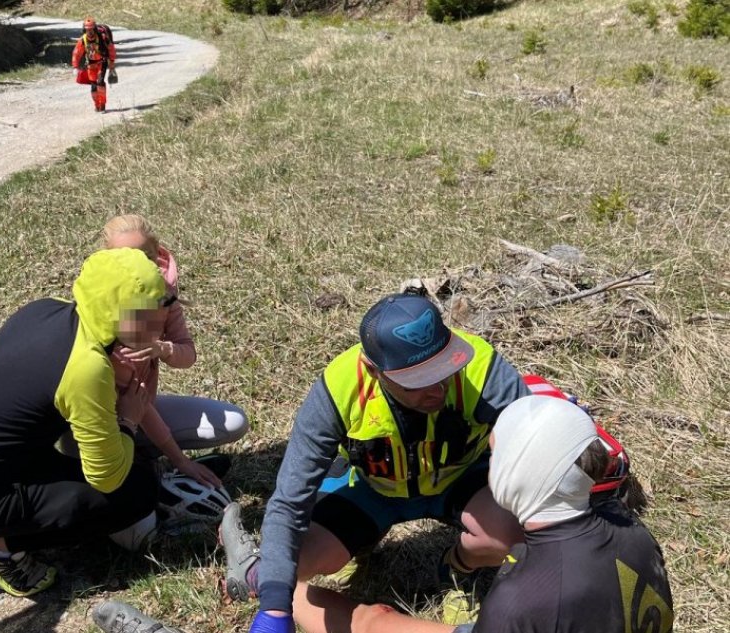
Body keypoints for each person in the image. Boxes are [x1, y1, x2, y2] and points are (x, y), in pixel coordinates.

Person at [220, 292, 532, 633]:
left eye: (443, 368)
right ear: (374, 369)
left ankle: (457, 568)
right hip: (373, 491)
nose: (438, 388)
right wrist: (275, 609)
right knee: (294, 563)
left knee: (512, 533)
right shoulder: (338, 389)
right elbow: (288, 503)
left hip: (460, 482)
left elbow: (537, 451)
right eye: (418, 381)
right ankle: (353, 546)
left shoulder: (481, 367)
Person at [235, 395, 675, 633]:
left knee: (373, 622)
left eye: (496, 455)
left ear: (516, 477)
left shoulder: (521, 599)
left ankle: (280, 590)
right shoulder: (634, 533)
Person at [0, 248, 173, 598]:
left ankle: (8, 526)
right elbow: (107, 478)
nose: (161, 322)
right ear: (125, 317)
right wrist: (128, 418)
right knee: (138, 491)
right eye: (154, 312)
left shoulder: (46, 308)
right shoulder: (87, 368)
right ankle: (0, 549)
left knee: (107, 468)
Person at [101, 214, 249, 487]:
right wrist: (180, 460)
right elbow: (137, 404)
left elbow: (187, 355)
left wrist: (163, 349)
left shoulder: (164, 294)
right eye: (124, 257)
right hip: (105, 424)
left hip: (141, 407)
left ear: (157, 253)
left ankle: (145, 454)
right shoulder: (103, 308)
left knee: (234, 421)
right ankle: (143, 460)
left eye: (144, 255)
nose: (136, 266)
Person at [71, 18, 117, 113]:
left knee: (100, 82)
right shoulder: (82, 40)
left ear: (95, 29)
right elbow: (76, 53)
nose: (89, 32)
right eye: (87, 30)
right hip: (90, 65)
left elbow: (111, 48)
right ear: (84, 30)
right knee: (93, 87)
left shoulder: (102, 37)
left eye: (91, 29)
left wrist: (111, 61)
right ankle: (97, 105)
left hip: (102, 62)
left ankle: (103, 104)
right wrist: (75, 66)